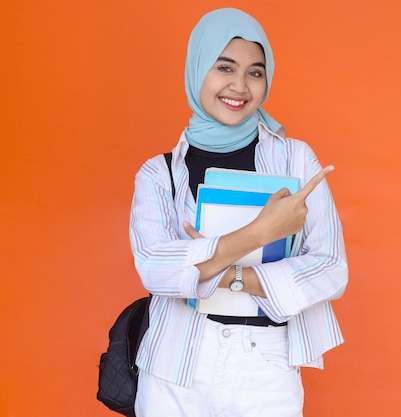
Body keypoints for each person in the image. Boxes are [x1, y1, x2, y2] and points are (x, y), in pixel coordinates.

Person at [129, 8, 348, 417]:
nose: (239, 86)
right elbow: (156, 269)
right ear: (198, 69)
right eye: (225, 67)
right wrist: (261, 232)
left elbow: (330, 268)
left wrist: (226, 274)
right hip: (174, 365)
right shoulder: (159, 173)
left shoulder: (296, 160)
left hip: (266, 364)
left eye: (255, 72)